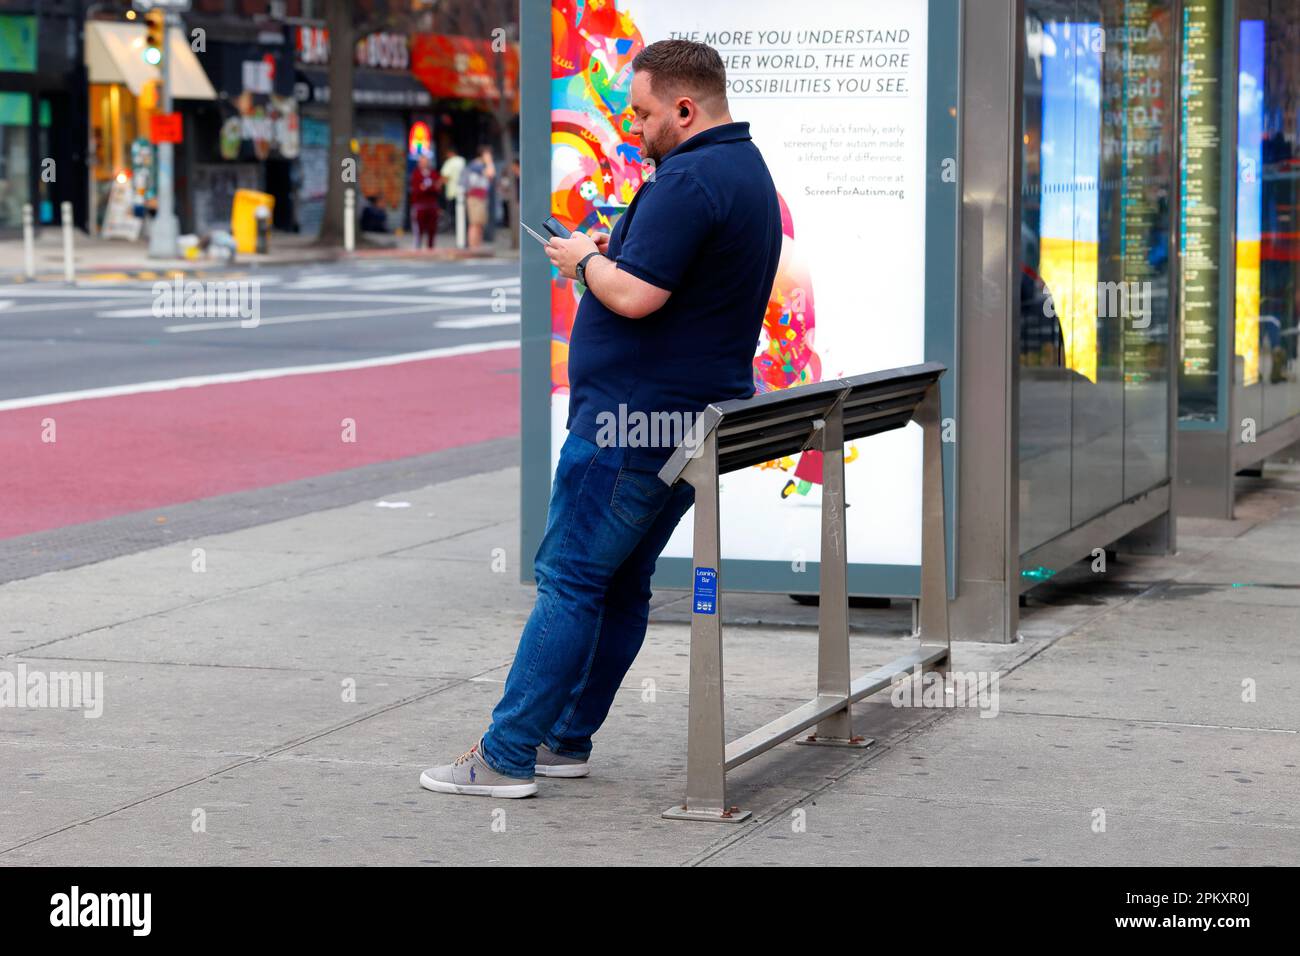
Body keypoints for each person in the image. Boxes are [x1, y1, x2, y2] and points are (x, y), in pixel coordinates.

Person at [420, 39, 782, 798]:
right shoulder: (744, 170)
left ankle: (506, 754)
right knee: (620, 587)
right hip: (688, 421)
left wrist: (583, 258)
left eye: (645, 111)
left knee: (571, 580)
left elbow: (637, 296)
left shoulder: (689, 181)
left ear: (686, 109)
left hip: (630, 423)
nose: (633, 124)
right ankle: (564, 739)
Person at [461, 144, 495, 249]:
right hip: (475, 197)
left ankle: (477, 245)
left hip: (481, 197)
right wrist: (489, 162)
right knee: (475, 223)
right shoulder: (476, 165)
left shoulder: (480, 165)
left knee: (480, 223)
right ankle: (473, 246)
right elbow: (491, 174)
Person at [409, 153, 442, 250]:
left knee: (432, 229)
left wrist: (427, 188)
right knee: (419, 229)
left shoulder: (433, 173)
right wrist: (428, 188)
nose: (424, 163)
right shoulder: (416, 174)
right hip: (420, 206)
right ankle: (417, 247)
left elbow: (437, 188)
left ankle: (430, 248)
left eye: (426, 161)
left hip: (432, 205)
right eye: (422, 162)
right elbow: (417, 189)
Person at [439, 145, 464, 228]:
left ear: (450, 153)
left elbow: (445, 177)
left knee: (452, 212)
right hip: (462, 191)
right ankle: (460, 228)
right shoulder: (462, 161)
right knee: (460, 212)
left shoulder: (449, 162)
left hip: (452, 192)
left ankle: (453, 227)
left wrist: (437, 185)